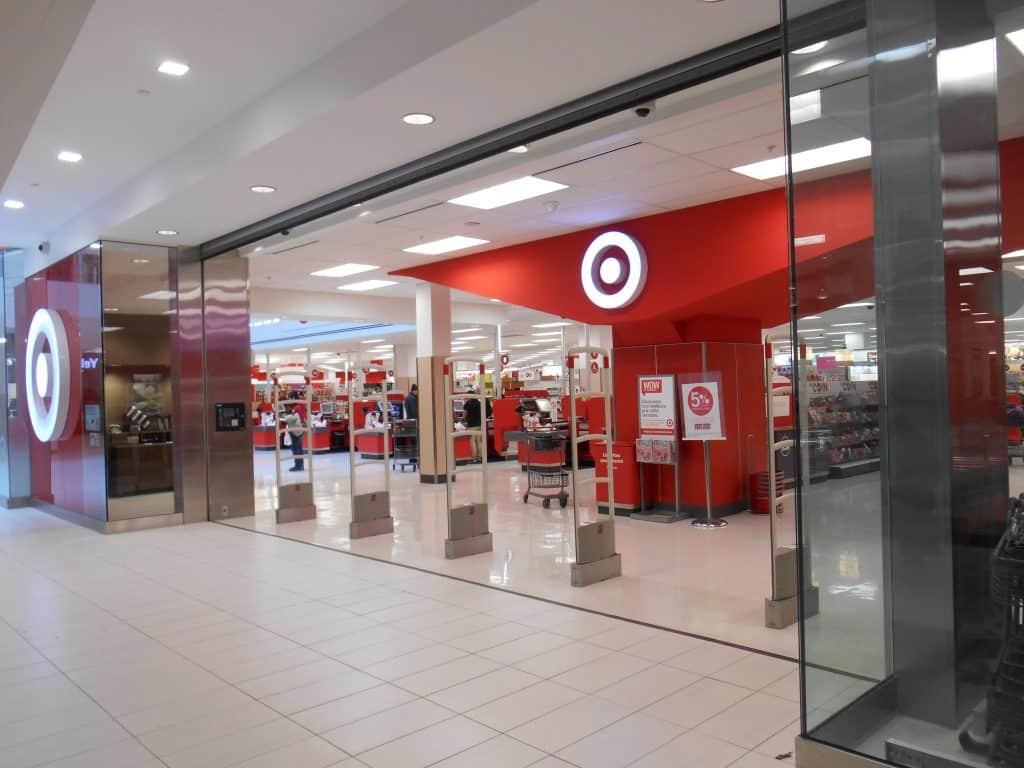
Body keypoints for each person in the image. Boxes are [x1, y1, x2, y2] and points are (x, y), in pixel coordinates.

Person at [282, 403, 306, 471]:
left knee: (296, 449)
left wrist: (285, 417)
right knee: (299, 449)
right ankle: (301, 465)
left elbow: (294, 417)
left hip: (295, 430)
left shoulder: (296, 407)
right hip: (300, 429)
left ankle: (298, 466)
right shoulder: (302, 405)